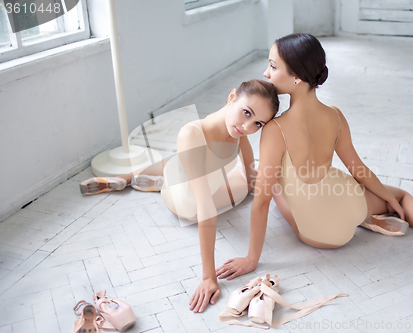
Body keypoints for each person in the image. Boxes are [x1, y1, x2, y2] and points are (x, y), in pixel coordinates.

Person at [215, 33, 413, 281]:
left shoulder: (274, 129)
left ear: (297, 76)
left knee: (273, 185)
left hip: (319, 235)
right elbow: (358, 168)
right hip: (349, 204)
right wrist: (390, 198)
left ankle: (372, 218)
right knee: (401, 195)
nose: (266, 72)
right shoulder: (335, 115)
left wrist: (251, 259)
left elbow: (261, 202)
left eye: (273, 66)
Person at [80, 79, 280, 313]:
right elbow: (208, 205)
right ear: (231, 96)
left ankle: (131, 177)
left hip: (190, 184)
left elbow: (249, 168)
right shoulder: (191, 134)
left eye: (257, 123)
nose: (247, 126)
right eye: (246, 113)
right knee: (199, 171)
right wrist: (208, 277)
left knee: (177, 163)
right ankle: (148, 182)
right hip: (188, 206)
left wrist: (268, 180)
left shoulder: (236, 130)